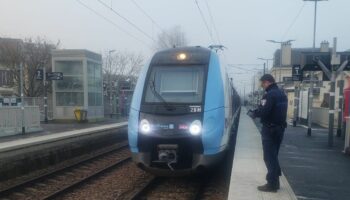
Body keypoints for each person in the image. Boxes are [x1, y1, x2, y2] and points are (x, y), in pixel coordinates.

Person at [248, 74, 288, 192]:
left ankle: (271, 184)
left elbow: (264, 111)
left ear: (267, 82)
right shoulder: (282, 94)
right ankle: (275, 182)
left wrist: (254, 114)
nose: (262, 86)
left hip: (270, 130)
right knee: (273, 155)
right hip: (280, 129)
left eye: (262, 83)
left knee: (269, 157)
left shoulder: (269, 95)